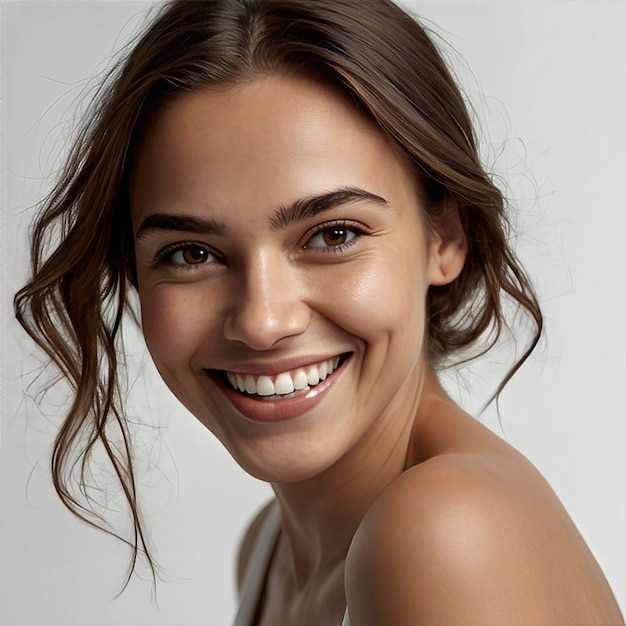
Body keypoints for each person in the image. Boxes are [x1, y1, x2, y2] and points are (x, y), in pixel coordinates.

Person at [13, 0, 624, 624]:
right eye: (192, 252)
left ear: (445, 238)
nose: (262, 319)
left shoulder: (445, 534)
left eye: (333, 235)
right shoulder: (269, 546)